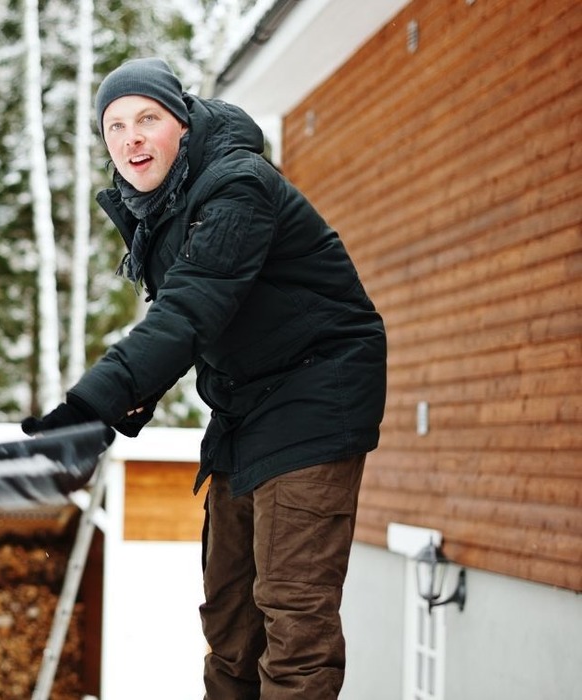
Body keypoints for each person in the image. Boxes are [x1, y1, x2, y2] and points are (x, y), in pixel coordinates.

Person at [22, 57, 387, 699]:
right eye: (115, 126)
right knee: (231, 622)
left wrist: (89, 405)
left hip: (315, 394)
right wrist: (122, 406)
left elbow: (192, 308)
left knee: (292, 618)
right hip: (244, 407)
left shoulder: (236, 187)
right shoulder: (161, 210)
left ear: (183, 126)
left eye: (148, 119)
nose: (132, 137)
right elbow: (191, 321)